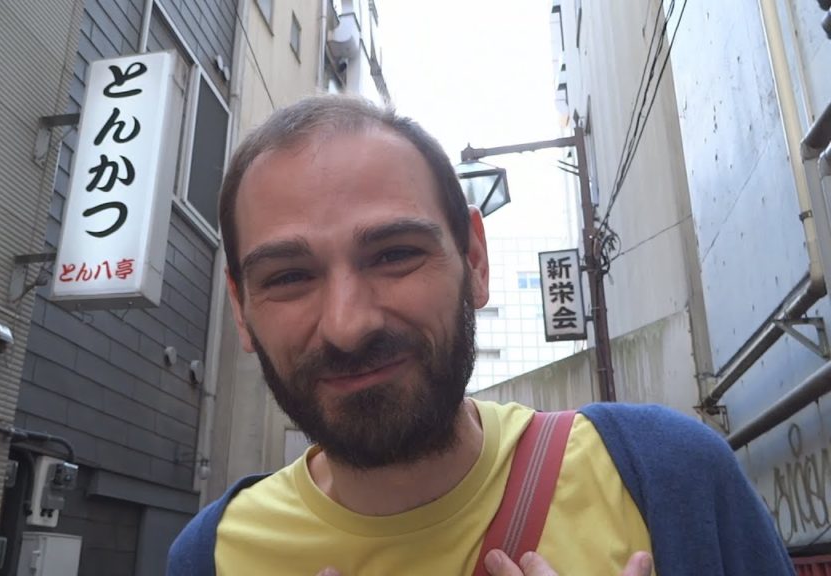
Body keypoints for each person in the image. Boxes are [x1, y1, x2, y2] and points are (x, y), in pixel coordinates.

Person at [167, 95, 793, 575]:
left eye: (394, 255)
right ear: (242, 308)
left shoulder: (666, 477)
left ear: (475, 260)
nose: (347, 325)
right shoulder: (212, 557)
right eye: (290, 276)